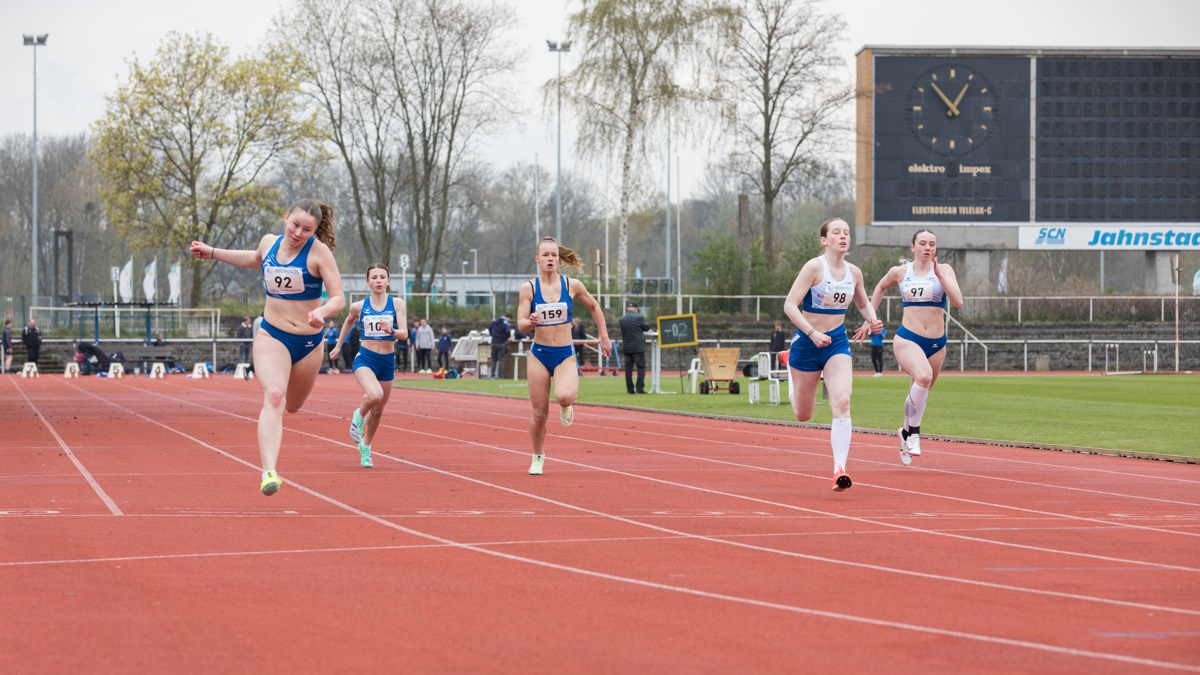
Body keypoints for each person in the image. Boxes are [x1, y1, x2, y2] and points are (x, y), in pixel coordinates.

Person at [189, 198, 344, 496]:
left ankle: (275, 445)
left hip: (309, 343)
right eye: (295, 224)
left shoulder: (319, 253)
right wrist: (211, 253)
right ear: (286, 218)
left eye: (306, 230)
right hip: (272, 335)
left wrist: (321, 312)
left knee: (294, 406)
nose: (298, 233)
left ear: (314, 231)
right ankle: (269, 472)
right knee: (274, 395)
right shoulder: (270, 243)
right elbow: (255, 258)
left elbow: (338, 297)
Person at [782, 217, 882, 492]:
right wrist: (812, 333)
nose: (843, 236)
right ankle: (788, 362)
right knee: (803, 414)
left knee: (842, 401)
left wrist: (872, 320)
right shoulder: (814, 267)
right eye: (836, 232)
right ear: (824, 240)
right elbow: (789, 305)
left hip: (837, 342)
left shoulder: (854, 272)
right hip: (807, 342)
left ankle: (840, 468)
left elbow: (863, 303)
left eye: (847, 232)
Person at [517, 236, 612, 475]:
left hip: (564, 355)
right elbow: (520, 324)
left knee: (565, 397)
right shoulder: (528, 288)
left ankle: (566, 406)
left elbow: (594, 307)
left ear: (559, 259)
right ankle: (538, 456)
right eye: (546, 255)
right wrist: (530, 321)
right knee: (539, 414)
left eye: (554, 255)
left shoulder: (572, 286)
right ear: (537, 259)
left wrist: (603, 336)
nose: (550, 259)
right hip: (539, 355)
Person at [870, 228, 964, 465]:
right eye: (922, 243)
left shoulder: (944, 270)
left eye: (932, 244)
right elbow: (880, 287)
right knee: (923, 377)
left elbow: (958, 302)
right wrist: (869, 318)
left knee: (920, 391)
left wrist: (941, 277)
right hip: (908, 338)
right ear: (913, 247)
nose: (928, 248)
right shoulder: (901, 272)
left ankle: (903, 431)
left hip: (937, 343)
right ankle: (914, 433)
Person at [329, 263, 407, 467]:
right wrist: (338, 346)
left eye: (382, 277)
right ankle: (358, 415)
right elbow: (348, 322)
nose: (379, 280)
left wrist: (391, 330)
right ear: (368, 282)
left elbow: (404, 334)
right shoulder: (359, 306)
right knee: (375, 394)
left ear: (388, 281)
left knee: (379, 410)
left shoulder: (397, 304)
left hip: (387, 362)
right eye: (374, 277)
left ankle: (366, 446)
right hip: (365, 358)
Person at [618, 302, 650, 394]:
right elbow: (646, 327)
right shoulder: (639, 317)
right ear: (636, 309)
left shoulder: (622, 319)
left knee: (628, 369)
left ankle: (630, 389)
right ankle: (639, 388)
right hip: (638, 347)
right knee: (641, 367)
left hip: (627, 347)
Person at [487, 313, 511, 380]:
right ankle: (500, 376)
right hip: (501, 343)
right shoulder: (505, 322)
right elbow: (508, 331)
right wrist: (505, 338)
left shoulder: (495, 321)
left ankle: (492, 375)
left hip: (494, 342)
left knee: (493, 359)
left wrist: (493, 335)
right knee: (501, 360)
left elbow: (489, 328)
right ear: (508, 317)